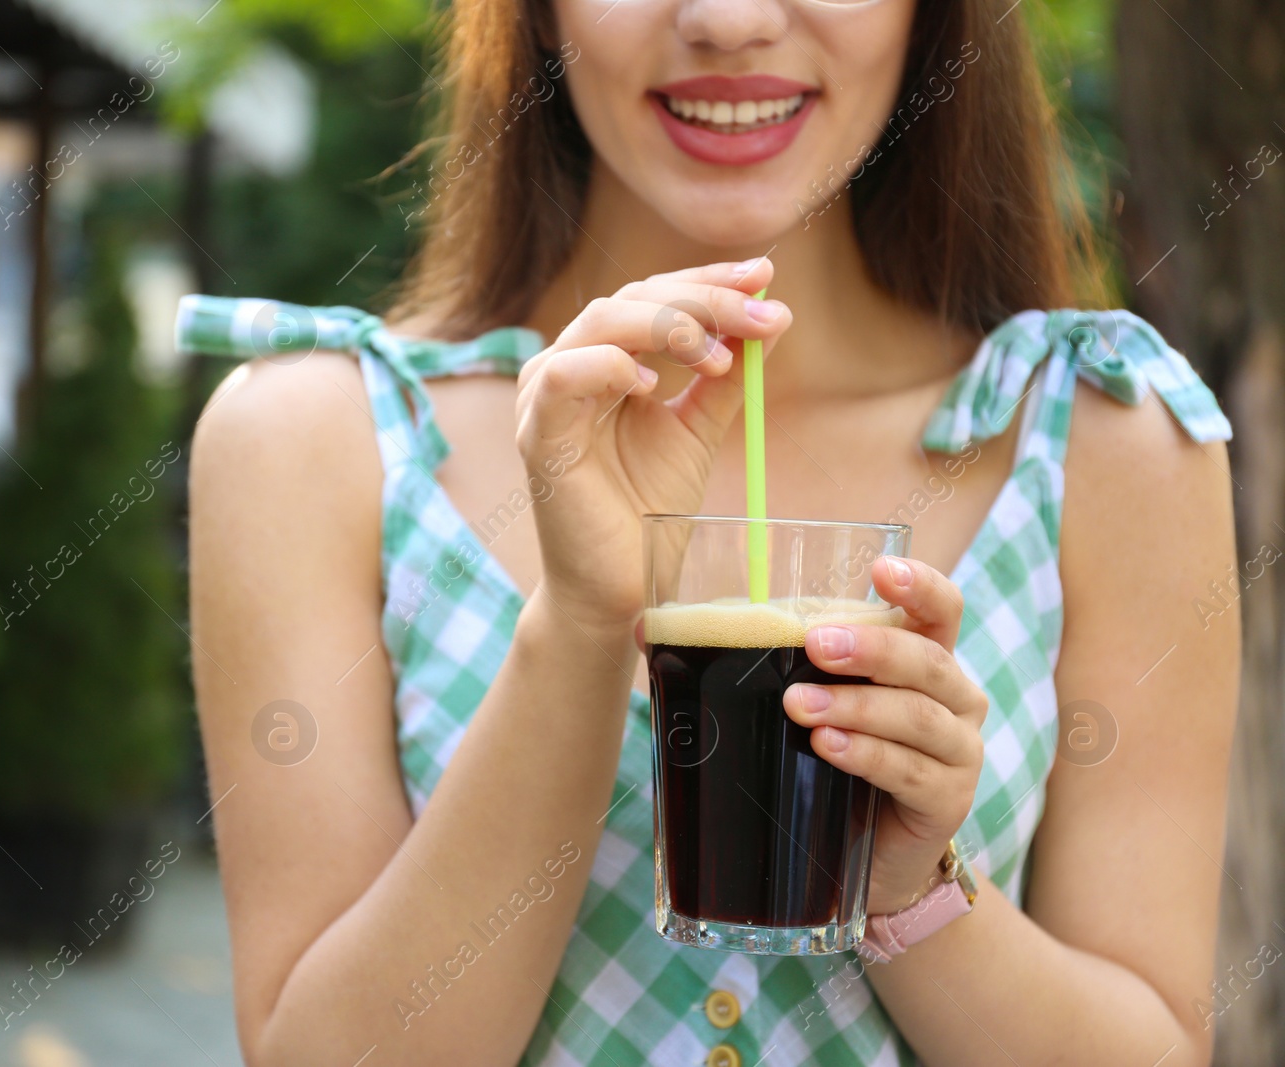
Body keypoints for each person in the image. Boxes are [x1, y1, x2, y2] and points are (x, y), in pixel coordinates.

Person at [186, 0, 1240, 1063]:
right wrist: (583, 623)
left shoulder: (1105, 437)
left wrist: (908, 889)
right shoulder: (316, 437)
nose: (729, 21)